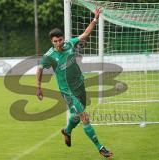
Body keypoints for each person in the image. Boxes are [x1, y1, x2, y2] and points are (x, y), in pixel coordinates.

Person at [36, 8, 113, 158]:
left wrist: (95, 19)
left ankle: (67, 130)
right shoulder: (49, 56)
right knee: (84, 116)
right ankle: (100, 147)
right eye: (55, 41)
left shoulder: (70, 44)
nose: (58, 43)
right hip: (68, 91)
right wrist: (38, 88)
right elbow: (39, 70)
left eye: (60, 40)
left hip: (79, 85)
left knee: (77, 117)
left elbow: (85, 34)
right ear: (52, 42)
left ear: (63, 38)